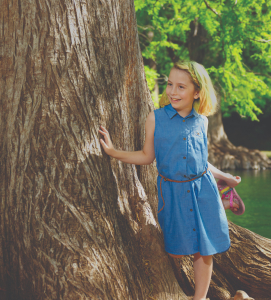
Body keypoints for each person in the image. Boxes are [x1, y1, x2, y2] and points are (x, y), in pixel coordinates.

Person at [99, 60, 241, 300]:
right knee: (176, 249)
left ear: (197, 92)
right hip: (173, 192)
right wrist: (114, 152)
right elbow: (146, 156)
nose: (173, 92)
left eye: (181, 87)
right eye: (170, 85)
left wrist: (225, 176)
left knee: (204, 251)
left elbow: (201, 161)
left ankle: (199, 298)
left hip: (203, 191)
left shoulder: (202, 121)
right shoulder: (156, 119)